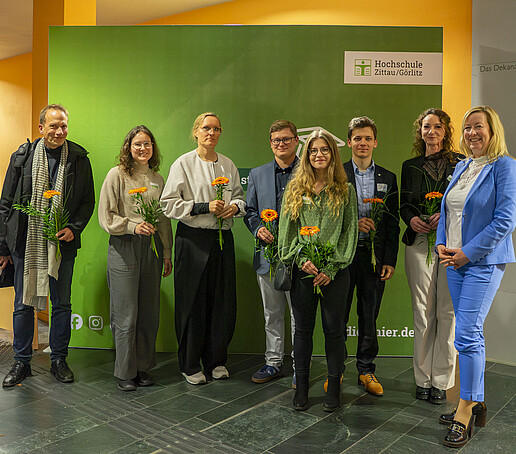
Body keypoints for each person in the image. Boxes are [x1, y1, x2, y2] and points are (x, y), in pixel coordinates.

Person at [436, 106, 516, 448]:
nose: (471, 133)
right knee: (468, 333)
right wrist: (441, 243)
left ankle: (465, 410)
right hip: (454, 261)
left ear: (492, 129)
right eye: (467, 128)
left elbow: (505, 220)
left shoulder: (504, 166)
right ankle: (476, 400)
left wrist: (468, 251)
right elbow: (447, 211)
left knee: (466, 335)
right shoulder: (462, 166)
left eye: (478, 127)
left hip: (481, 262)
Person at [0, 104, 95, 387]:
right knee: (23, 303)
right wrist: (3, 249)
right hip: (24, 244)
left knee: (62, 303)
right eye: (53, 125)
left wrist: (73, 228)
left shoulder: (78, 158)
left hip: (62, 245)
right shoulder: (22, 157)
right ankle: (21, 362)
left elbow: (87, 201)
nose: (59, 131)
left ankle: (59, 360)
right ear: (41, 127)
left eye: (63, 125)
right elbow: (5, 203)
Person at [161, 112, 245, 385]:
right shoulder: (183, 164)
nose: (211, 132)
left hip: (222, 240)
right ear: (195, 132)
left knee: (221, 302)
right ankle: (189, 363)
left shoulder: (228, 165)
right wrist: (202, 207)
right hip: (192, 239)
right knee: (191, 303)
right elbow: (169, 204)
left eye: (216, 128)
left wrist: (234, 208)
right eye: (206, 128)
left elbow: (242, 200)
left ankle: (216, 360)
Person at [278, 129, 358, 412]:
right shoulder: (295, 189)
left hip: (334, 274)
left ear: (333, 154)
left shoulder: (345, 190)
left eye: (324, 150)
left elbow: (350, 233)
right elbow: (285, 235)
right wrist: (301, 260)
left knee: (334, 331)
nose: (319, 155)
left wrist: (333, 266)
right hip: (304, 272)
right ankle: (301, 389)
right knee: (302, 332)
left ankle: (334, 388)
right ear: (306, 155)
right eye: (313, 150)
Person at [98, 125, 173, 391]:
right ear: (128, 148)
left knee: (148, 314)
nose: (143, 149)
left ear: (153, 148)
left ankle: (143, 368)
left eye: (148, 144)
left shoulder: (158, 179)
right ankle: (125, 372)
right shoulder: (116, 175)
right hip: (124, 246)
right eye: (138, 144)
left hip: (151, 249)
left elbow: (164, 220)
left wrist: (166, 251)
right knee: (125, 314)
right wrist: (132, 226)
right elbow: (106, 217)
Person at [400, 108, 460, 404]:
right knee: (422, 312)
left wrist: (443, 215)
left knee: (447, 312)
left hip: (450, 245)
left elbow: (464, 203)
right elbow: (404, 204)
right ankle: (423, 379)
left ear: (446, 131)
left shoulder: (461, 163)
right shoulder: (409, 165)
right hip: (419, 243)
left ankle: (442, 380)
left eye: (438, 127)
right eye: (427, 127)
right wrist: (412, 219)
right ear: (420, 131)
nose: (432, 132)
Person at [343, 116, 399, 396]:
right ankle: (336, 371)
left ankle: (366, 370)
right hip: (342, 257)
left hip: (374, 259)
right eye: (357, 138)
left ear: (375, 142)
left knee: (369, 316)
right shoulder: (336, 174)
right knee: (337, 316)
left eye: (367, 138)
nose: (362, 143)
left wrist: (389, 259)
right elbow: (328, 217)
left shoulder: (388, 178)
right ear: (349, 142)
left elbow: (391, 222)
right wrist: (355, 223)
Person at [244, 120, 298, 386]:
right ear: (270, 143)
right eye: (276, 140)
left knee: (299, 315)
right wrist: (257, 230)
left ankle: (301, 364)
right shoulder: (257, 174)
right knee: (272, 314)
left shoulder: (310, 171)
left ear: (296, 141)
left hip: (301, 257)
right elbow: (250, 212)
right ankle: (273, 362)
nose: (281, 144)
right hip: (267, 257)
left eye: (286, 139)